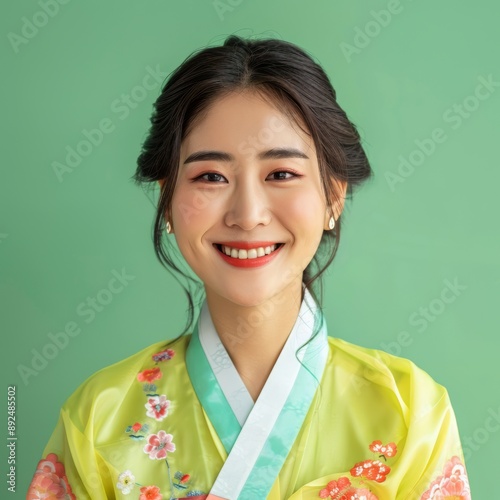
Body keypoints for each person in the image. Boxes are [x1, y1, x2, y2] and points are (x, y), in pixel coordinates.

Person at [27, 35, 471, 500]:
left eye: (281, 174)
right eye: (210, 177)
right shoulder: (100, 416)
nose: (248, 213)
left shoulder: (409, 411)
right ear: (168, 201)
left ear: (333, 197)